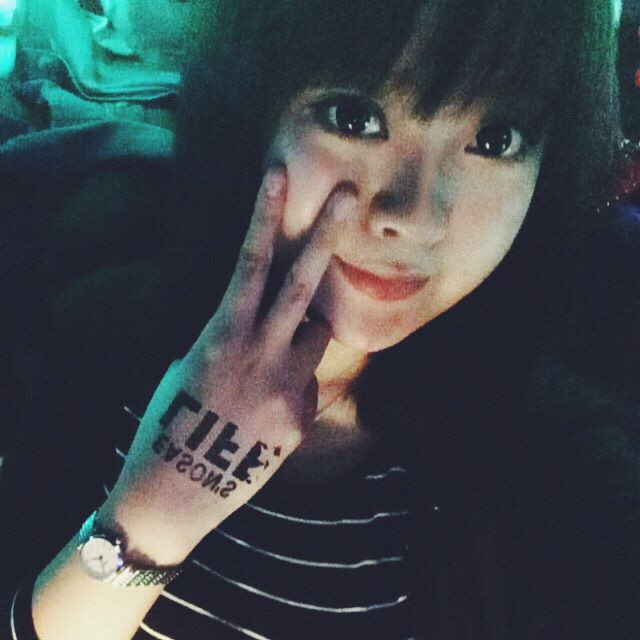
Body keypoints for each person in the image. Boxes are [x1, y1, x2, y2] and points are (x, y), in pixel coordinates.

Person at [1, 0, 639, 638]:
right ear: (250, 112)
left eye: (495, 139)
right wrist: (155, 513)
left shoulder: (558, 468)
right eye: (354, 117)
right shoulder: (102, 332)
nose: (415, 216)